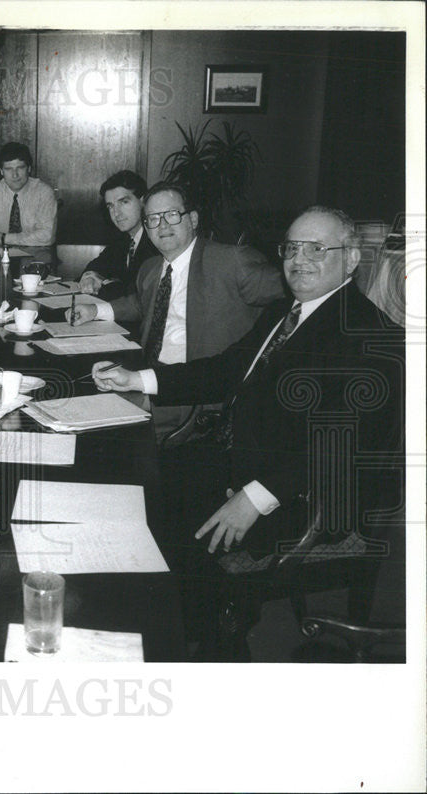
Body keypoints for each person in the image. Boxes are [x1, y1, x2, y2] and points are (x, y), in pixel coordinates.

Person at [91, 207, 403, 651]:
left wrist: (256, 497)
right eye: (292, 248)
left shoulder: (369, 335)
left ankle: (205, 654)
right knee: (142, 490)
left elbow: (341, 443)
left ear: (351, 259)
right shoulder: (287, 309)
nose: (300, 259)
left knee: (173, 548)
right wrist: (138, 379)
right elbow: (228, 369)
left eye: (317, 249)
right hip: (239, 458)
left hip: (307, 497)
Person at [67, 183, 285, 442]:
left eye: (172, 215)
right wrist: (96, 309)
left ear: (192, 219)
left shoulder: (231, 262)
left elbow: (293, 289)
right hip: (149, 378)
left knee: (96, 436)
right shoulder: (150, 268)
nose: (162, 226)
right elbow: (141, 303)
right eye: (153, 219)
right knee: (71, 401)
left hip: (194, 396)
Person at [78, 170, 158, 300]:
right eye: (110, 206)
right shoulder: (123, 238)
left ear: (143, 202)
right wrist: (90, 277)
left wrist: (105, 284)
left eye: (124, 202)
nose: (116, 213)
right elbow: (98, 265)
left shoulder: (156, 239)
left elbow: (136, 294)